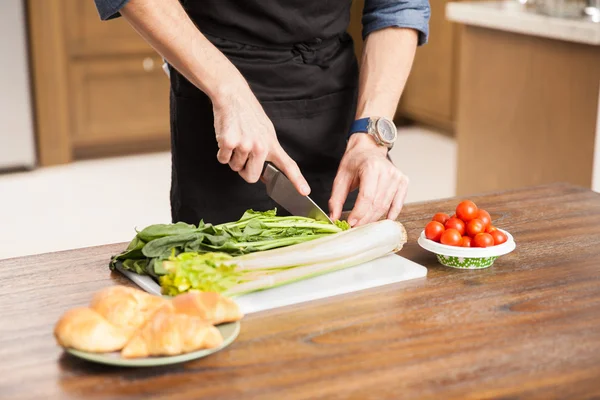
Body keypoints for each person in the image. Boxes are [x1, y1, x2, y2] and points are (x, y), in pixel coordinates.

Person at [93, 0, 430, 227]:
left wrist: (371, 134)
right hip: (216, 85)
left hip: (338, 103)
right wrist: (228, 90)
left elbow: (398, 4)